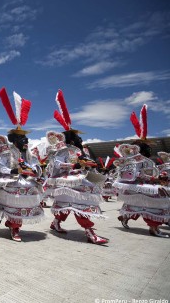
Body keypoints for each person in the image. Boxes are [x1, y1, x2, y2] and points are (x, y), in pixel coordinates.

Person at [44, 89, 108, 245]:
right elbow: (58, 164)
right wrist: (74, 164)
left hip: (77, 178)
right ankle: (89, 231)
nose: (80, 138)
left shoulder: (79, 150)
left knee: (70, 205)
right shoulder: (63, 150)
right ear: (71, 139)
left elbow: (83, 164)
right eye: (77, 137)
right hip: (67, 180)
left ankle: (56, 223)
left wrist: (88, 165)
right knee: (80, 204)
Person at [0, 88, 44, 242]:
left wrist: (34, 170)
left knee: (29, 194)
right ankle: (14, 228)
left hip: (26, 181)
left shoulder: (29, 154)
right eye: (22, 139)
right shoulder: (7, 153)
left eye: (26, 139)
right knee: (16, 199)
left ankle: (14, 224)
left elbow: (36, 165)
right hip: (13, 181)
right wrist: (15, 169)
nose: (26, 142)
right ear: (14, 140)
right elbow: (0, 167)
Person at [113, 105, 169, 237]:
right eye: (148, 147)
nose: (150, 149)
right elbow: (134, 174)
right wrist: (153, 179)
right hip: (134, 185)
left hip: (137, 185)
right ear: (143, 147)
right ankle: (153, 227)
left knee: (146, 201)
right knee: (156, 199)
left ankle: (126, 216)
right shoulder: (136, 159)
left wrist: (156, 177)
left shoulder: (141, 159)